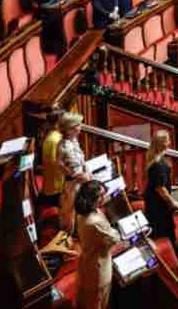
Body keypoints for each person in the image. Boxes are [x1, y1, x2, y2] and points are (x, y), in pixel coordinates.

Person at [75, 180, 122, 309]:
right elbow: (115, 238)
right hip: (98, 269)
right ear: (91, 199)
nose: (103, 198)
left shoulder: (85, 212)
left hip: (88, 262)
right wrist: (114, 230)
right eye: (100, 196)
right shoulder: (94, 221)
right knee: (98, 302)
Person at [144, 129, 178, 241]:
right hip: (158, 206)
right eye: (168, 140)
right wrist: (173, 202)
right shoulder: (159, 164)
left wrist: (171, 187)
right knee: (163, 234)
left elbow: (160, 184)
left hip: (154, 202)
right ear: (164, 144)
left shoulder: (155, 160)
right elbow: (159, 188)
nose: (170, 143)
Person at [57, 112, 88, 230]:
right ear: (69, 130)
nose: (80, 127)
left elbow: (81, 162)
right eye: (78, 125)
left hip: (77, 183)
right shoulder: (66, 147)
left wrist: (87, 171)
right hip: (74, 185)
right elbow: (77, 174)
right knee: (72, 215)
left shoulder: (73, 140)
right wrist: (88, 177)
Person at [37, 109, 66, 212]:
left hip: (51, 186)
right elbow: (57, 166)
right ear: (58, 123)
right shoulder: (56, 139)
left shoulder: (51, 136)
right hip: (56, 189)